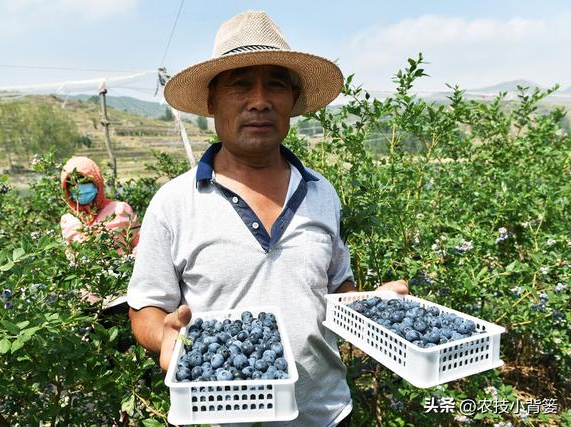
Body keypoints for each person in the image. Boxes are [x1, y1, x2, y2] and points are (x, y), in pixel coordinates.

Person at [127, 10, 408, 426]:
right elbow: (147, 307)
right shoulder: (174, 202)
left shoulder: (320, 192)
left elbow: (336, 289)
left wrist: (371, 310)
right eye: (240, 84)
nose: (259, 100)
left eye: (275, 84)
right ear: (211, 101)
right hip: (215, 415)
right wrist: (163, 335)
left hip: (323, 414)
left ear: (292, 102)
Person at [61, 156, 140, 309]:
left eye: (84, 182)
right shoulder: (68, 220)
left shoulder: (119, 210)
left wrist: (128, 262)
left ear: (96, 181)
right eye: (73, 185)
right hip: (88, 300)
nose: (79, 189)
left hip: (122, 293)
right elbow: (70, 256)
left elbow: (140, 242)